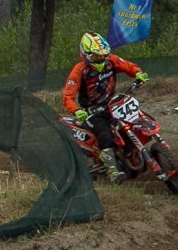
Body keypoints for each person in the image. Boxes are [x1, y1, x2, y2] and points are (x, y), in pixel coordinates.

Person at [62, 32, 149, 184]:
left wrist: (138, 73)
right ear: (86, 55)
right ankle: (113, 171)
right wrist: (77, 110)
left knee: (133, 120)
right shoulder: (79, 70)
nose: (101, 59)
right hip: (93, 111)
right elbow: (67, 97)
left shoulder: (111, 60)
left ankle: (134, 152)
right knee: (105, 135)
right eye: (97, 57)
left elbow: (129, 66)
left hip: (112, 104)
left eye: (103, 55)